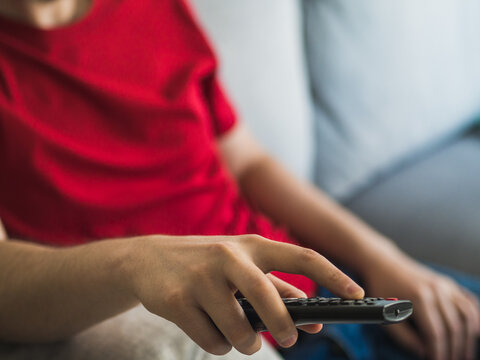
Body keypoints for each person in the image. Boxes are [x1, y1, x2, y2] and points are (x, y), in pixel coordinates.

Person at [0, 1, 478, 360]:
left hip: (319, 298)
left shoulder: (156, 8)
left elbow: (247, 162)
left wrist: (382, 259)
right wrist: (138, 262)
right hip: (224, 335)